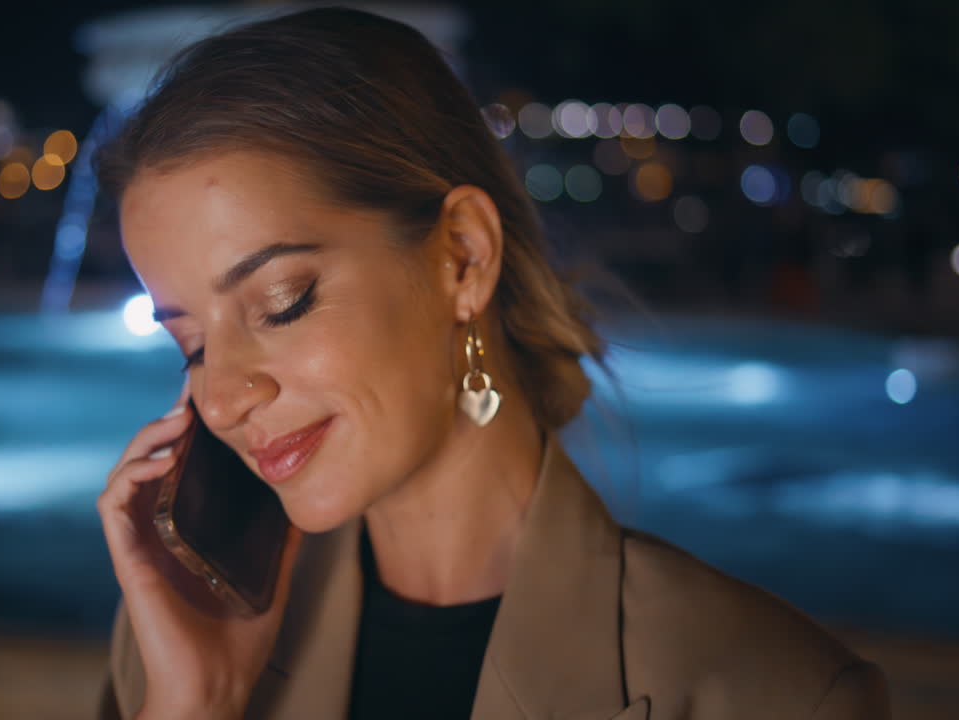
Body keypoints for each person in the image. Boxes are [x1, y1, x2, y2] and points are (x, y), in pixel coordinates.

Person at [93, 7, 891, 719]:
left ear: (463, 257)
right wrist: (193, 707)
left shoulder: (772, 696)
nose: (222, 397)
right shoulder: (180, 638)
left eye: (283, 301)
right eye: (191, 343)